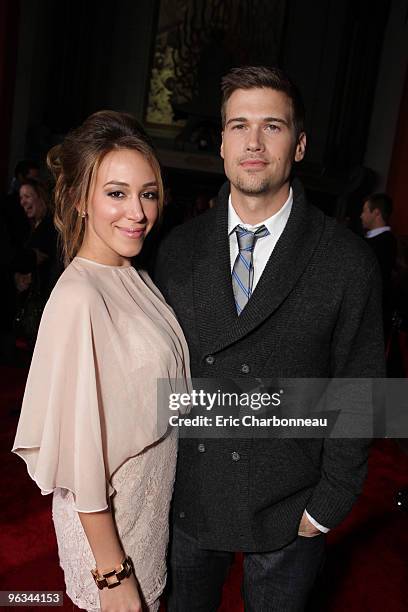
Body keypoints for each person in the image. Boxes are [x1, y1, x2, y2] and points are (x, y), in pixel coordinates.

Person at [155, 66, 385, 611]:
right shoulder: (177, 249)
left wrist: (328, 504)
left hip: (292, 504)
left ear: (300, 145)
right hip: (189, 496)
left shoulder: (348, 261)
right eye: (239, 126)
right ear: (222, 143)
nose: (253, 143)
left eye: (272, 127)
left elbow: (362, 391)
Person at [12, 110, 190, 612]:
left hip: (144, 514)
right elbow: (82, 457)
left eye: (148, 193)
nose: (137, 211)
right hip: (112, 536)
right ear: (79, 200)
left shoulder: (131, 273)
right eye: (116, 193)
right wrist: (113, 577)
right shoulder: (80, 297)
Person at [360, 193, 397, 333]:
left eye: (364, 210)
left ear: (376, 213)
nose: (361, 215)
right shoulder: (371, 241)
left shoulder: (385, 243)